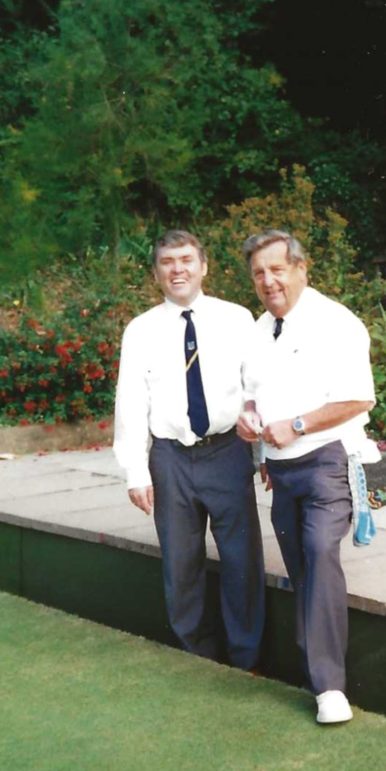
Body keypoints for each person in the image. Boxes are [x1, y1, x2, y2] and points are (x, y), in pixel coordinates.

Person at [237, 230, 375, 724]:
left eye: (277, 269)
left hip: (327, 461)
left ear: (301, 269)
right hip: (280, 472)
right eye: (259, 273)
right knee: (302, 567)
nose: (268, 280)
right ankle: (317, 667)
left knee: (320, 553)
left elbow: (358, 398)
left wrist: (295, 425)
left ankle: (329, 687)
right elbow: (252, 395)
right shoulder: (257, 331)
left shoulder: (336, 322)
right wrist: (247, 418)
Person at [113, 229, 264, 669]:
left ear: (204, 266)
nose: (177, 269)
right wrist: (136, 472)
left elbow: (256, 387)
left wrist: (264, 456)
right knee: (181, 565)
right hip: (170, 458)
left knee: (241, 561)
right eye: (167, 262)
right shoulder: (140, 330)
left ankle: (245, 660)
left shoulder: (237, 319)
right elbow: (131, 401)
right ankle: (197, 658)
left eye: (185, 260)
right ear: (156, 272)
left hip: (227, 453)